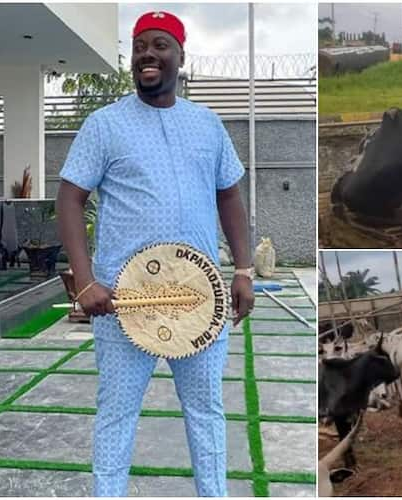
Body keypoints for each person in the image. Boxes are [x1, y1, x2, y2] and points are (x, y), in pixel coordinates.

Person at [55, 10, 254, 497]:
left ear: (181, 57)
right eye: (141, 45)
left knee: (206, 411)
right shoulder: (105, 125)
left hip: (196, 300)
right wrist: (85, 282)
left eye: (161, 45)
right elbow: (69, 197)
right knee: (117, 412)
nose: (148, 54)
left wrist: (245, 269)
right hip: (124, 303)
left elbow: (229, 195)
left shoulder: (207, 125)